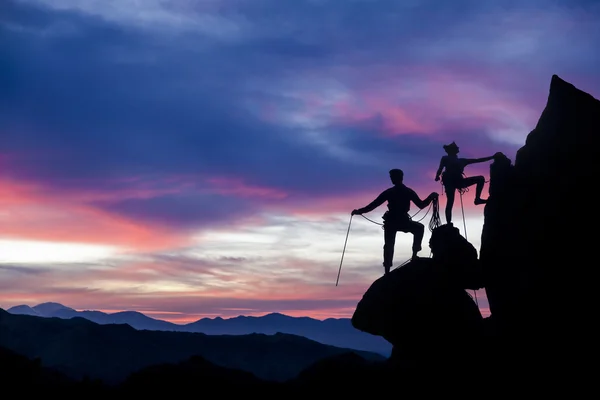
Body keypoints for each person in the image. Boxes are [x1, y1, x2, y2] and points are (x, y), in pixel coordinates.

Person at [352, 169, 439, 275]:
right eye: (391, 177)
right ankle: (413, 255)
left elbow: (373, 205)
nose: (392, 179)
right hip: (399, 221)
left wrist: (359, 211)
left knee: (389, 244)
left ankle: (388, 270)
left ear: (398, 177)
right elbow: (421, 205)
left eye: (392, 177)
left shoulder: (390, 192)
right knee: (418, 229)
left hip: (392, 221)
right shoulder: (407, 191)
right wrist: (431, 196)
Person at [434, 142, 499, 225]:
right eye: (457, 148)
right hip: (451, 182)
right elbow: (477, 160)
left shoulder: (459, 160)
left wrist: (492, 157)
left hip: (454, 182)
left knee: (450, 201)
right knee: (450, 201)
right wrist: (437, 176)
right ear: (453, 150)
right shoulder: (450, 159)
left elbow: (478, 160)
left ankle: (477, 199)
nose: (458, 149)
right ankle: (449, 222)